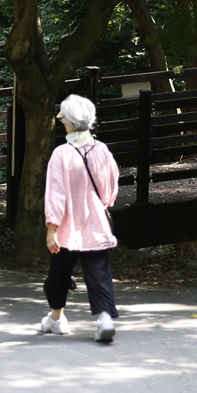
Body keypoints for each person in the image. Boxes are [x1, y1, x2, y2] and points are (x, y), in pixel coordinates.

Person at [39, 94, 119, 343]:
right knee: (99, 271)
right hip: (95, 222)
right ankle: (104, 319)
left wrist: (52, 228)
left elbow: (56, 193)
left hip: (66, 228)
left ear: (69, 123)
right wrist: (100, 206)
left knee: (59, 273)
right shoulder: (102, 150)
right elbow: (109, 189)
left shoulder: (61, 154)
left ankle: (56, 318)